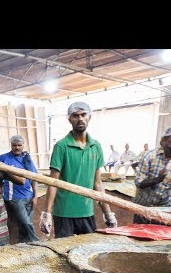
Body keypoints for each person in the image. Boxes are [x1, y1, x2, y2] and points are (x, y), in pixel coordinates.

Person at [40, 102, 117, 238]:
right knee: (64, 251)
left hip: (86, 211)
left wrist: (107, 212)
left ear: (89, 117)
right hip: (64, 212)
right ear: (69, 119)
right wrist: (47, 213)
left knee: (87, 249)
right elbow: (53, 182)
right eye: (75, 116)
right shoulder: (62, 146)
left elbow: (97, 184)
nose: (80, 119)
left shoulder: (96, 146)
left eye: (83, 115)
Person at [131, 125, 171, 224]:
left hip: (164, 207)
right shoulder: (149, 156)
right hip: (143, 207)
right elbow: (139, 183)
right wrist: (158, 179)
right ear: (164, 139)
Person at [0, 135, 39, 243]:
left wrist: (35, 196)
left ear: (23, 145)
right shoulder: (3, 158)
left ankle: (23, 246)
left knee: (24, 226)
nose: (17, 147)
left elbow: (34, 178)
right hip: (14, 198)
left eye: (19, 145)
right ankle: (37, 242)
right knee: (26, 223)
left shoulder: (27, 159)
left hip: (28, 197)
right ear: (11, 145)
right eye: (14, 145)